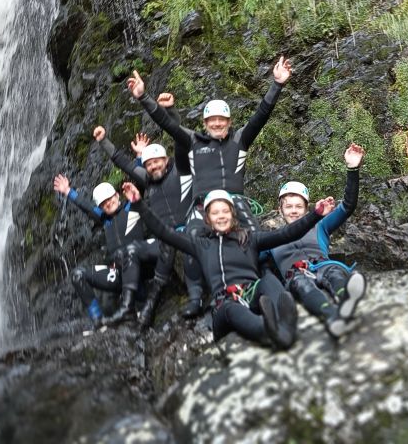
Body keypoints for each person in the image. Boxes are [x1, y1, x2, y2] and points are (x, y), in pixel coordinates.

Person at [126, 56, 292, 316]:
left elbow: (261, 115)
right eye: (211, 120)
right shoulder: (193, 141)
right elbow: (167, 123)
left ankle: (269, 287)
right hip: (202, 205)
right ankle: (194, 298)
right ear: (204, 123)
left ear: (228, 122)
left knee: (256, 239)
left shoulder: (240, 139)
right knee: (191, 241)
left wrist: (277, 84)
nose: (217, 123)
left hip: (234, 202)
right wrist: (143, 96)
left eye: (222, 120)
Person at [125, 182, 336, 350]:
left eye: (225, 211)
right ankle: (268, 329)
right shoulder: (201, 244)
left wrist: (315, 214)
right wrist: (139, 204)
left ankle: (285, 320)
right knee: (230, 308)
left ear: (232, 214)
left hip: (251, 292)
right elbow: (165, 233)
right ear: (208, 218)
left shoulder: (249, 239)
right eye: (215, 212)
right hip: (225, 304)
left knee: (267, 281)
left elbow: (286, 233)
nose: (221, 216)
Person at [93, 125, 193, 328]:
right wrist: (104, 141)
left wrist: (169, 112)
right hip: (163, 240)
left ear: (166, 160)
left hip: (188, 233)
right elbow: (124, 163)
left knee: (170, 241)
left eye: (157, 162)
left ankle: (150, 306)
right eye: (149, 164)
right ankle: (128, 308)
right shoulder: (147, 183)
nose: (154, 166)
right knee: (131, 250)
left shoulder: (181, 172)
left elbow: (181, 140)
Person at [266, 143, 367, 338]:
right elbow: (248, 255)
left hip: (323, 265)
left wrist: (352, 169)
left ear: (306, 208)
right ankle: (331, 316)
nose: (294, 211)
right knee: (302, 284)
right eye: (289, 207)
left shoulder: (319, 226)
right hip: (296, 275)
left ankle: (345, 301)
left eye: (298, 206)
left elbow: (347, 206)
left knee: (335, 272)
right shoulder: (270, 239)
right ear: (280, 210)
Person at [53, 174, 145, 327]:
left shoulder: (132, 207)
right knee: (77, 275)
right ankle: (98, 321)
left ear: (117, 195)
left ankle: (141, 307)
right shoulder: (105, 219)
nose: (108, 203)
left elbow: (141, 183)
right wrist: (68, 191)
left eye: (110, 198)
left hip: (139, 270)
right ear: (100, 207)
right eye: (103, 203)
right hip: (119, 274)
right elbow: (86, 206)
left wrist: (140, 156)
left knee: (128, 257)